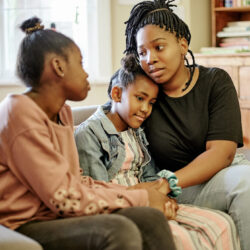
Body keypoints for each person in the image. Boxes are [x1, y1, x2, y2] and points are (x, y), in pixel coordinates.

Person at [0, 17, 177, 250]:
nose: (86, 74)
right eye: (81, 64)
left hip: (52, 214)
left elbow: (77, 182)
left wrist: (139, 193)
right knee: (118, 231)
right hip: (23, 223)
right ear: (58, 66)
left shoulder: (62, 113)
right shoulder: (19, 113)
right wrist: (141, 197)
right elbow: (65, 197)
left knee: (150, 219)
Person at [74, 54, 240, 250]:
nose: (145, 109)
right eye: (140, 98)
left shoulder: (137, 131)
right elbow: (98, 191)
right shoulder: (88, 134)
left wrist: (165, 201)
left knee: (220, 223)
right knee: (182, 238)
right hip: (122, 206)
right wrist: (150, 203)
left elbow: (150, 175)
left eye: (151, 102)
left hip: (149, 199)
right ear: (117, 94)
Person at [124, 0, 250, 249]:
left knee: (246, 180)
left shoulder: (215, 81)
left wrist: (164, 183)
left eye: (159, 47)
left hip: (219, 175)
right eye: (142, 53)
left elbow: (222, 154)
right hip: (186, 190)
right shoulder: (144, 97)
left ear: (182, 44)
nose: (150, 59)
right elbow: (112, 113)